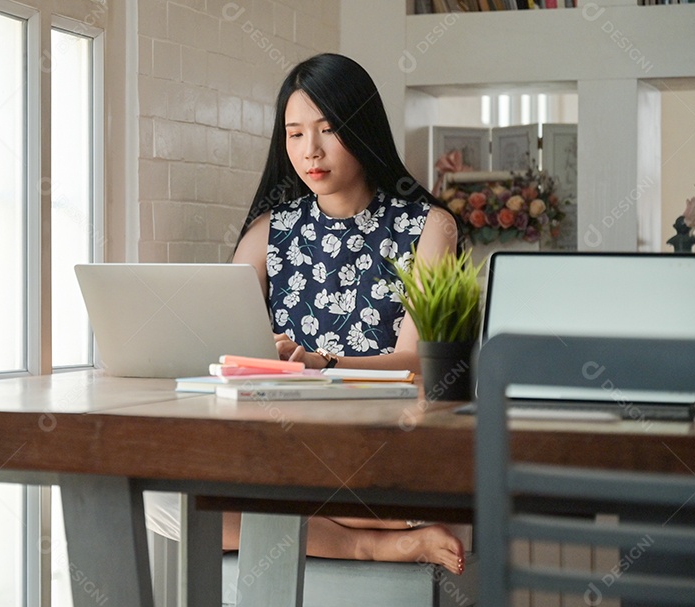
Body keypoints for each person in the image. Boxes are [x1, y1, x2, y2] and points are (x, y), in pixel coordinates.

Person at [144, 53, 467, 575]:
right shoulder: (269, 231)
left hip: (381, 446)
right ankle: (372, 539)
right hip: (278, 447)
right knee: (158, 503)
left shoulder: (428, 226)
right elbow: (215, 338)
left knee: (390, 495)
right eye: (294, 134)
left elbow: (420, 363)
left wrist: (321, 363)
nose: (309, 151)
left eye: (328, 129)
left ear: (362, 129)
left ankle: (381, 520)